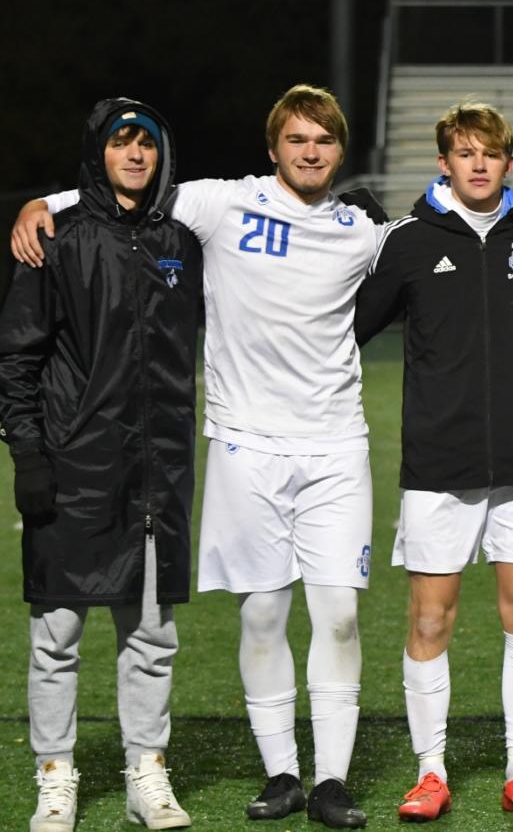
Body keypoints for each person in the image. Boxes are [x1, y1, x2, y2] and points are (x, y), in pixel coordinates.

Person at [12, 84, 386, 829]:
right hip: (176, 452)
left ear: (340, 151)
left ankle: (172, 774)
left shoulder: (348, 230)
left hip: (233, 459)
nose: (309, 152)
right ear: (272, 147)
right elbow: (23, 346)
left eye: (323, 141)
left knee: (174, 631)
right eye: (295, 139)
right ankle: (65, 775)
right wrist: (36, 205)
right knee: (72, 632)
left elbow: (435, 234)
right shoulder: (212, 207)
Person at [353, 101, 513, 821]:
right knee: (429, 623)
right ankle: (429, 771)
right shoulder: (411, 242)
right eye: (464, 152)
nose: (477, 164)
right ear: (443, 161)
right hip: (437, 463)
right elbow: (350, 324)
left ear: (509, 163)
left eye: (490, 153)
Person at [1, 99, 199, 832]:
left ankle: (146, 772)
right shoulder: (55, 239)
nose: (135, 154)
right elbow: (17, 357)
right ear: (99, 152)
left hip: (158, 471)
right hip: (73, 464)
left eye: (146, 143)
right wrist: (27, 452)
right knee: (57, 636)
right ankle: (55, 776)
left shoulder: (181, 237)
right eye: (121, 142)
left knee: (151, 633)